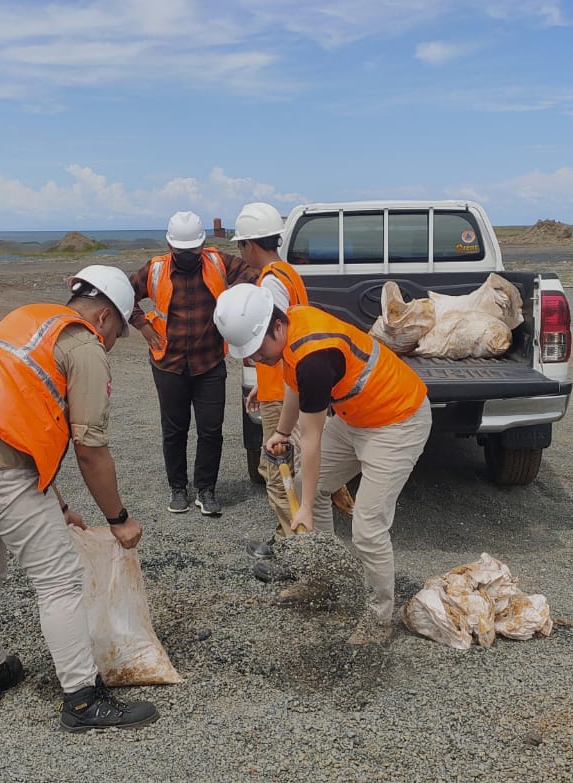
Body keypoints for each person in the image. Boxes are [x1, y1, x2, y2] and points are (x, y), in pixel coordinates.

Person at [0, 265, 158, 731]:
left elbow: (20, 417)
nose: (111, 343)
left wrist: (59, 504)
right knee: (59, 581)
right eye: (117, 333)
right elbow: (89, 449)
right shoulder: (84, 344)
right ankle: (83, 700)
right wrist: (119, 518)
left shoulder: (27, 318)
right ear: (106, 317)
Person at [214, 284, 432, 644]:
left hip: (398, 420)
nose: (255, 359)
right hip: (357, 418)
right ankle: (322, 581)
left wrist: (306, 516)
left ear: (276, 328)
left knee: (367, 527)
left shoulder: (314, 355)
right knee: (304, 490)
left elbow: (312, 439)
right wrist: (282, 432)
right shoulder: (289, 333)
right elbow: (293, 388)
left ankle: (379, 620)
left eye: (257, 349)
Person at [128, 211, 258, 516]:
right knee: (174, 431)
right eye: (181, 251)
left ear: (202, 246)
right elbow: (124, 294)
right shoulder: (155, 269)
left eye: (193, 250)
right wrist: (143, 325)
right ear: (171, 246)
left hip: (209, 363)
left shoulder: (218, 262)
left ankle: (206, 490)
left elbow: (253, 278)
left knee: (211, 430)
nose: (188, 256)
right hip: (168, 365)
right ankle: (178, 488)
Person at [229, 202, 310, 557]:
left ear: (249, 245)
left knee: (278, 474)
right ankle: (284, 538)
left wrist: (270, 384)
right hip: (278, 385)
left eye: (240, 245)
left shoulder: (272, 282)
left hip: (283, 394)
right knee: (274, 467)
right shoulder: (287, 272)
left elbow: (276, 338)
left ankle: (298, 553)